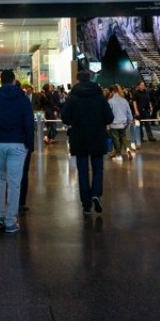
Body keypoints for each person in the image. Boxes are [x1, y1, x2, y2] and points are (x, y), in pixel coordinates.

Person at [0, 69, 34, 234]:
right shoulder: (23, 99)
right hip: (17, 143)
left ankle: (0, 214)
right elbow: (29, 124)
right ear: (13, 81)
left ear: (0, 81)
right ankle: (11, 220)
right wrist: (29, 145)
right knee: (14, 182)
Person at [61, 71, 114, 216]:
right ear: (90, 78)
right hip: (97, 137)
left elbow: (65, 118)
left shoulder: (72, 97)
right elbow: (109, 118)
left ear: (78, 79)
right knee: (98, 168)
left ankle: (86, 204)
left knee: (83, 171)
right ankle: (96, 193)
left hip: (79, 138)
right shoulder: (99, 97)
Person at [107, 84, 134, 159]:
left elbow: (108, 113)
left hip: (114, 123)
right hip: (123, 123)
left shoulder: (110, 101)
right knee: (123, 137)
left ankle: (119, 155)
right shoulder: (124, 101)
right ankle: (128, 149)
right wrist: (130, 120)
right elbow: (129, 112)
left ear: (112, 92)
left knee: (116, 139)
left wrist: (107, 123)